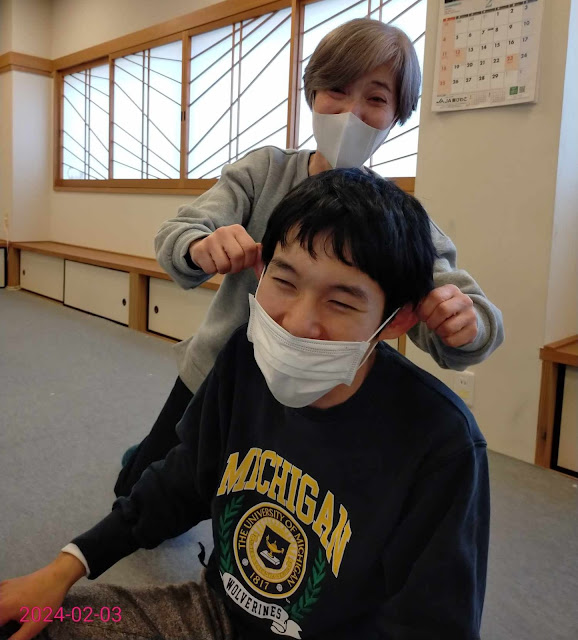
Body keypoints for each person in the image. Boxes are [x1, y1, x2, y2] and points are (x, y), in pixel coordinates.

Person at [0, 170, 489, 640]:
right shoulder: (244, 356)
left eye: (341, 302)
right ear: (261, 269)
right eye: (285, 281)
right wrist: (65, 567)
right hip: (214, 614)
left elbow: (431, 624)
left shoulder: (441, 441)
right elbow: (181, 480)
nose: (296, 322)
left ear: (397, 319)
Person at [114, 17, 503, 498]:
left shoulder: (396, 218)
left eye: (376, 98)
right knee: (143, 489)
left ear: (398, 113)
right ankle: (143, 461)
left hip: (315, 394)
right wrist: (199, 247)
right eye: (337, 89)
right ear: (312, 93)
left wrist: (464, 323)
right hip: (216, 372)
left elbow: (463, 309)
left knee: (256, 503)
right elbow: (181, 231)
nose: (351, 112)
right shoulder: (264, 172)